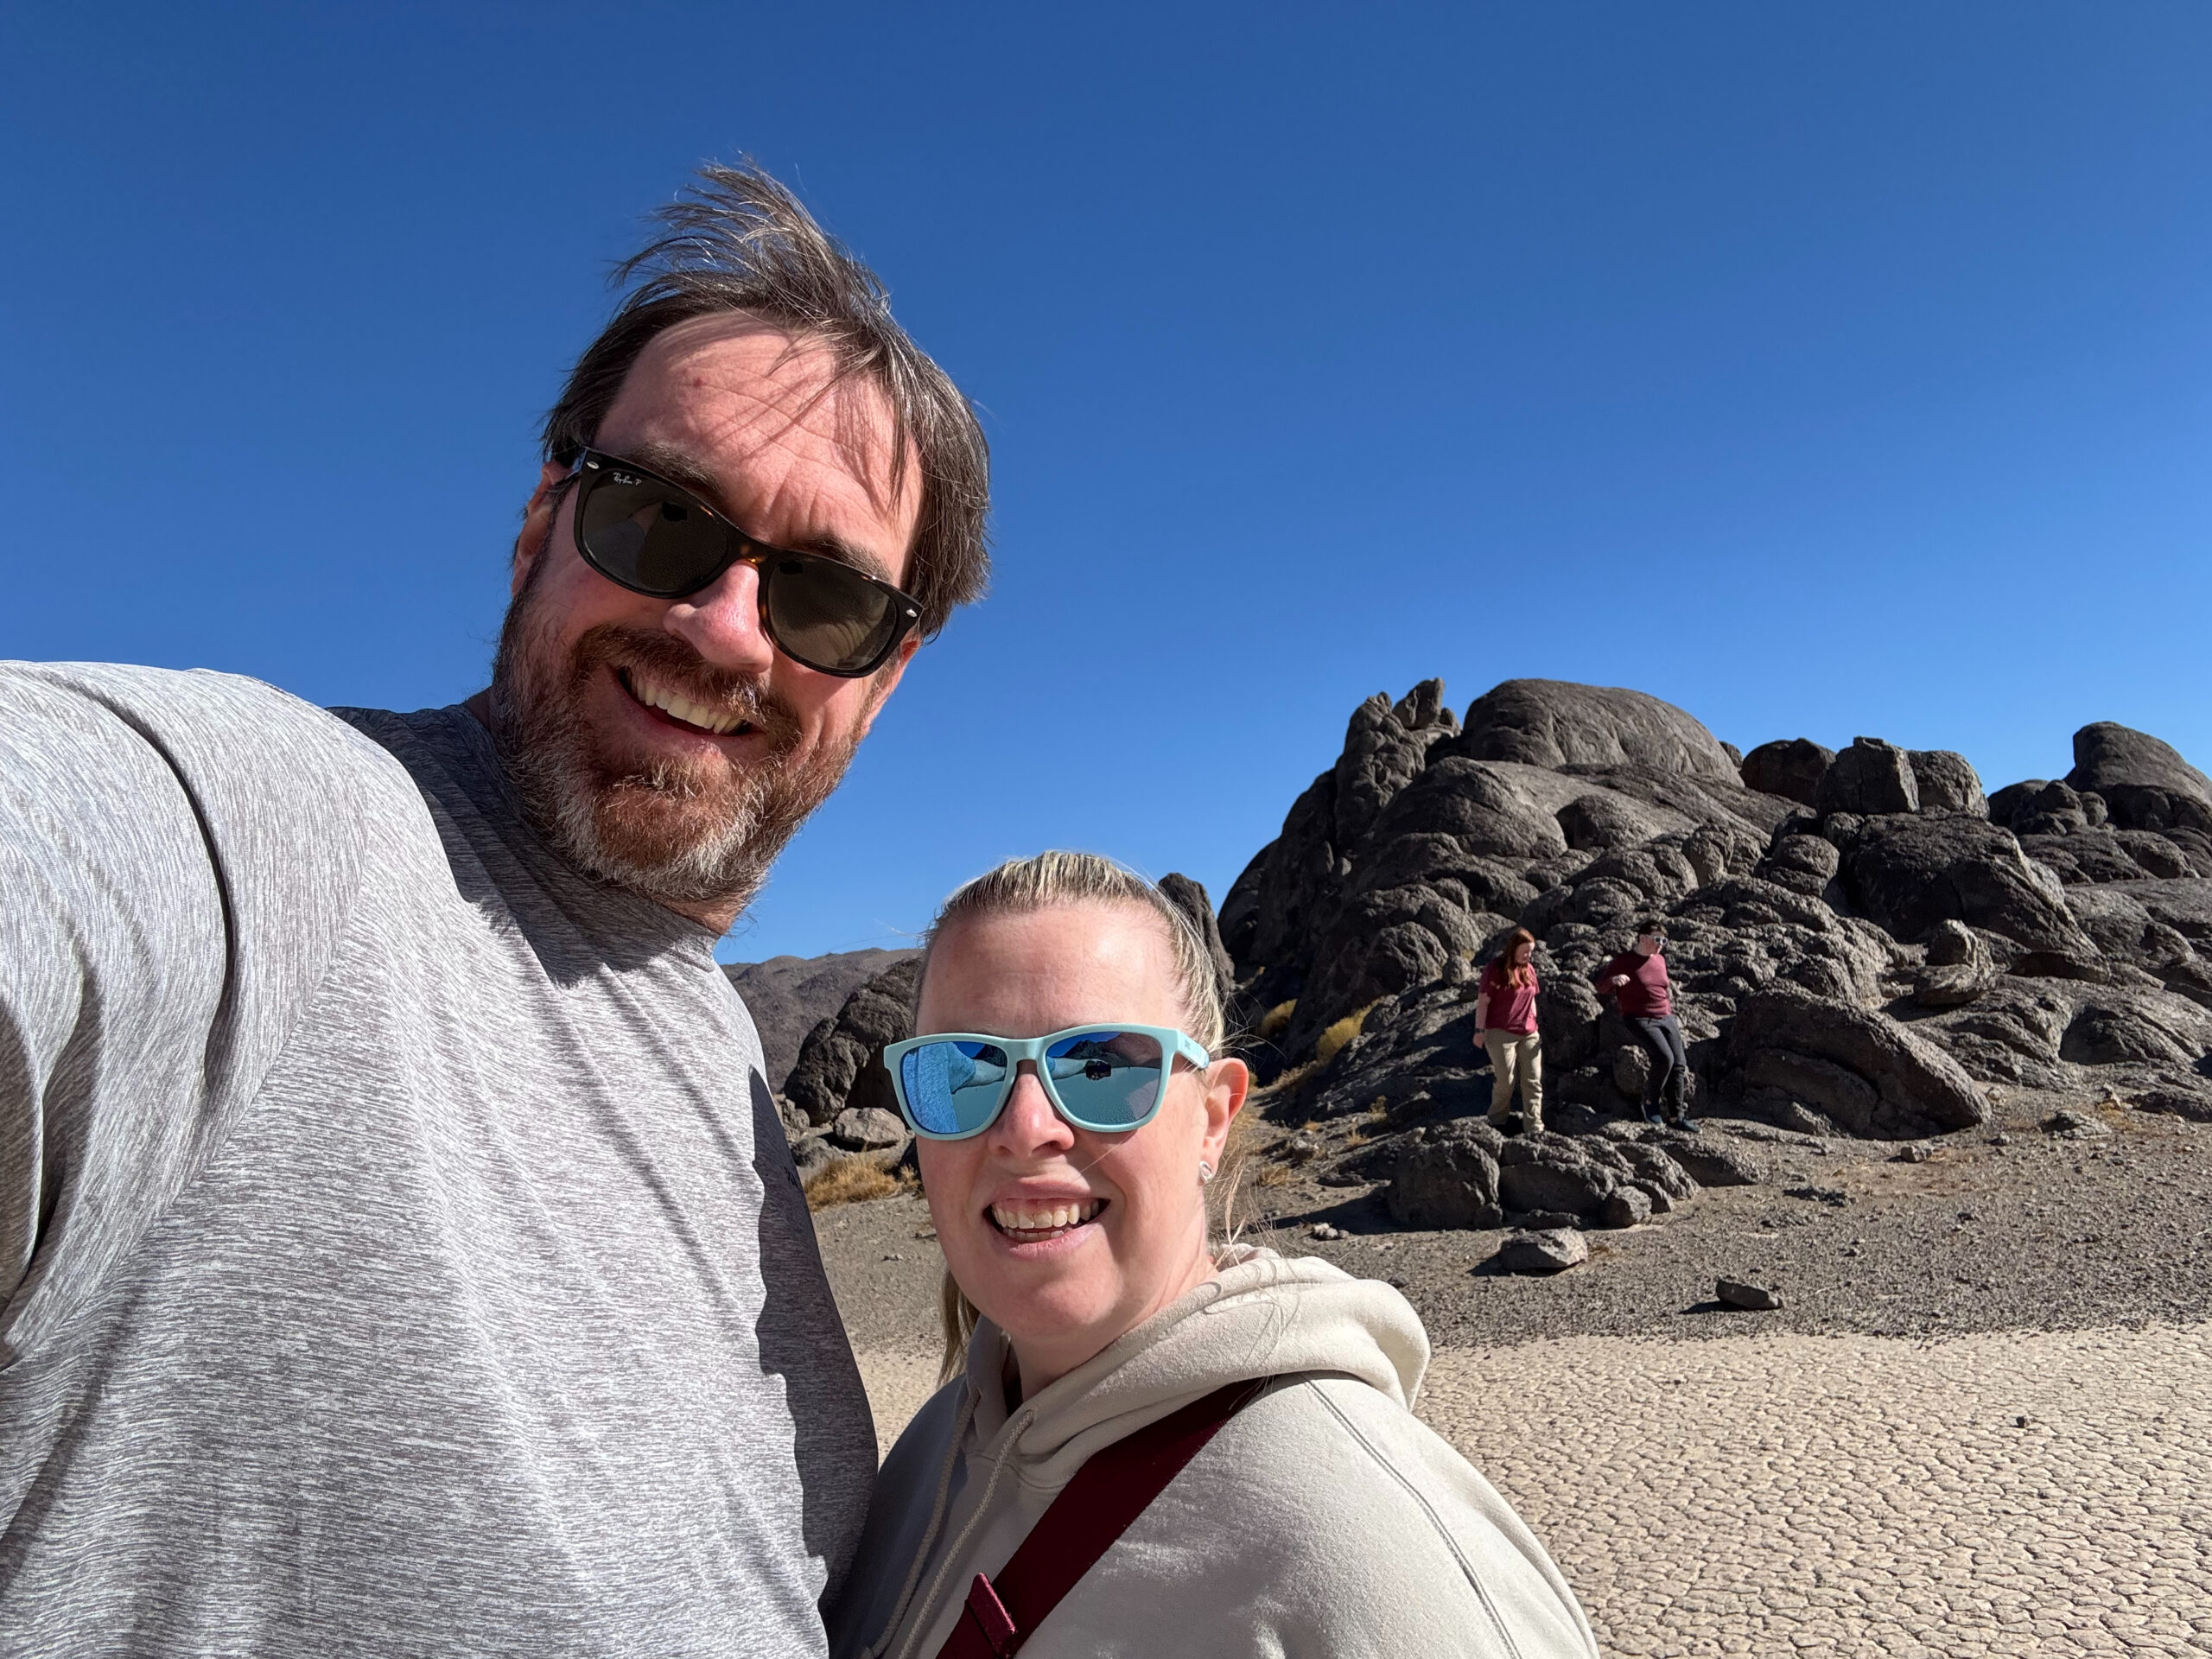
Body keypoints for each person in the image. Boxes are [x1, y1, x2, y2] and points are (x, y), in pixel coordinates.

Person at [0, 163, 989, 1655]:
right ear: (543, 521)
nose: (724, 625)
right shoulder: (275, 827)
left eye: (827, 601)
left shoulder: (708, 1045)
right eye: (664, 520)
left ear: (881, 679)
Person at [830, 853, 1600, 1659]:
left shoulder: (1369, 1552)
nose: (1026, 1127)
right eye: (960, 1071)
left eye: (1100, 1066)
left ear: (1213, 1116)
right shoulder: (931, 1452)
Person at [1593, 920, 1695, 1130]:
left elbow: (1663, 988)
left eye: (1664, 940)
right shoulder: (1624, 961)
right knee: (1663, 1057)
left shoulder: (1659, 960)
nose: (1660, 944)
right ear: (1642, 938)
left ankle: (1677, 1117)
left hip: (1666, 1016)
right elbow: (1600, 987)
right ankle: (1650, 1103)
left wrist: (1669, 1010)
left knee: (1679, 1063)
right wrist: (1613, 980)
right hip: (1638, 1018)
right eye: (1656, 939)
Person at [1476, 926, 1543, 1133]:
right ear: (1513, 948)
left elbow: (1532, 996)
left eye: (1531, 951)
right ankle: (1497, 1122)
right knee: (1506, 1080)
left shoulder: (1529, 969)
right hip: (1500, 1033)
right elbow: (1483, 1002)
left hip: (1529, 1033)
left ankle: (1534, 1127)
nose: (1528, 955)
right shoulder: (1494, 969)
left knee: (1533, 1080)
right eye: (1525, 951)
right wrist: (1479, 1031)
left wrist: (1533, 1017)